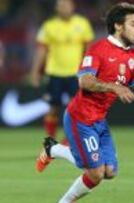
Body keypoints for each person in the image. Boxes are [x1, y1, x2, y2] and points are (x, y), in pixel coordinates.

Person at [36, 2, 134, 203]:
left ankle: (54, 149)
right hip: (80, 118)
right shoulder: (99, 49)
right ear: (118, 26)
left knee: (109, 172)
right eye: (133, 24)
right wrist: (115, 87)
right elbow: (84, 81)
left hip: (99, 122)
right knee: (95, 174)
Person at [31, 0, 94, 148]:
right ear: (56, 8)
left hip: (76, 74)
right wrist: (35, 71)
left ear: (73, 6)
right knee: (53, 108)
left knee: (76, 109)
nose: (64, 8)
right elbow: (41, 50)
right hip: (54, 73)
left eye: (66, 5)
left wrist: (90, 70)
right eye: (61, 6)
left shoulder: (83, 23)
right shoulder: (49, 26)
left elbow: (89, 48)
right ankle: (51, 142)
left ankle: (69, 140)